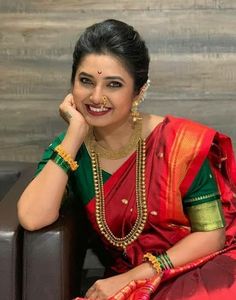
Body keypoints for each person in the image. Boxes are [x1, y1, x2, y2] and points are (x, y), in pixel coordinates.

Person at [17, 19, 236, 300]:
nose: (97, 97)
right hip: (131, 280)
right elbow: (32, 218)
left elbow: (212, 236)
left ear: (138, 91)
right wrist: (75, 133)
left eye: (114, 85)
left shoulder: (180, 143)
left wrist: (135, 276)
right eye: (86, 81)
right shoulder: (70, 149)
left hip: (200, 266)